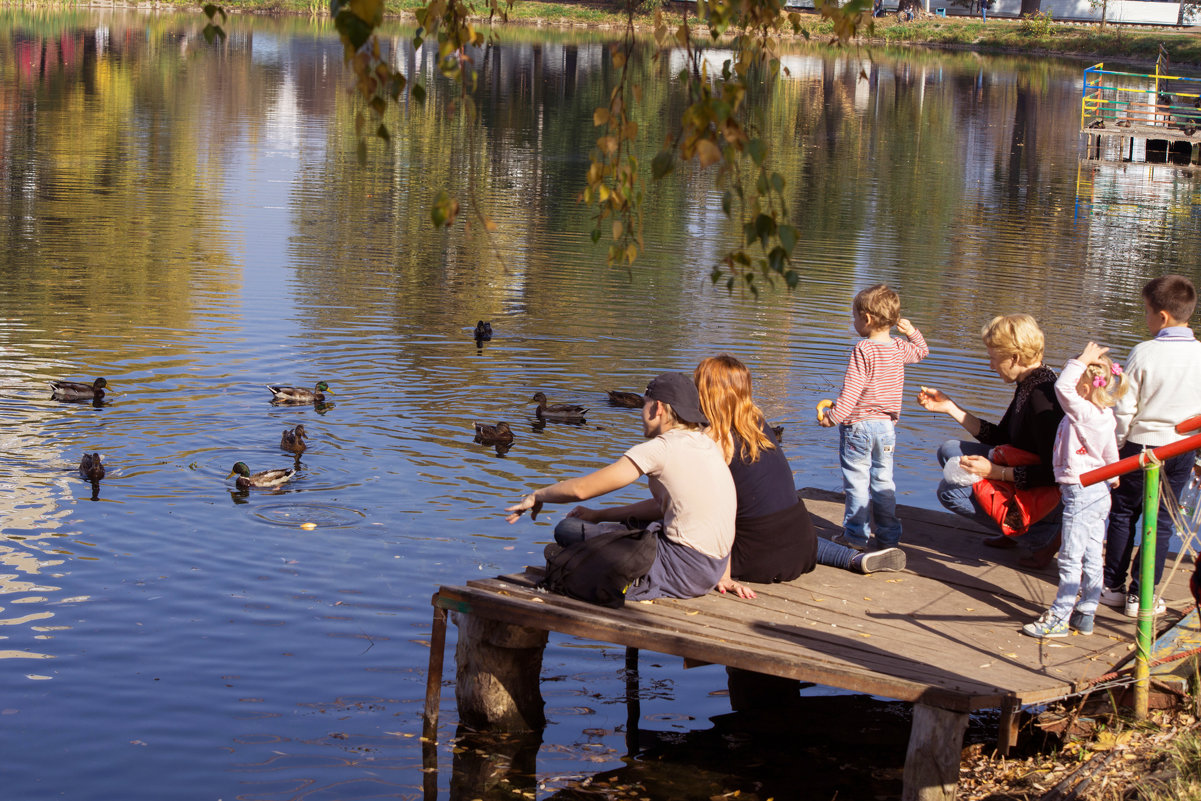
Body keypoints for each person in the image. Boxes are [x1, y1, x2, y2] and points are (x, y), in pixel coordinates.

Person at [505, 372, 736, 601]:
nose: (641, 414)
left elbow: (581, 490)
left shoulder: (661, 448)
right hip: (712, 569)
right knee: (604, 531)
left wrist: (537, 496)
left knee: (567, 530)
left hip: (680, 570)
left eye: (644, 406)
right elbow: (670, 508)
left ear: (657, 408)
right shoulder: (706, 444)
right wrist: (598, 515)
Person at [694, 355, 906, 600]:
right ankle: (853, 558)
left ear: (707, 393)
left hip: (758, 556)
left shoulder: (714, 441)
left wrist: (723, 574)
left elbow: (715, 514)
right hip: (799, 539)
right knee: (786, 531)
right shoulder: (757, 422)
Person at [917, 313, 1065, 567]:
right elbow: (1002, 437)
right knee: (949, 450)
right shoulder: (1029, 381)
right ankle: (1014, 528)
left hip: (1047, 494)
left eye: (993, 359)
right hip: (1021, 472)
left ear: (1014, 358)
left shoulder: (1043, 398)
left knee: (949, 493)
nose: (990, 366)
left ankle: (1041, 535)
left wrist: (996, 472)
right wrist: (951, 408)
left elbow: (1054, 473)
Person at [1101, 275, 1201, 618]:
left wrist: (1118, 443)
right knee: (1161, 521)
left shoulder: (1144, 352)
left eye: (1146, 311)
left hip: (1140, 446)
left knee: (1124, 513)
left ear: (1162, 317)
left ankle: (1111, 586)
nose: (1145, 318)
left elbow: (1125, 406)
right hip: (1181, 448)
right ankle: (1140, 595)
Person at [1022, 342, 1125, 639]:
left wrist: (1081, 359)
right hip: (1099, 491)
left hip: (1081, 492)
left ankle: (1060, 615)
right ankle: (1086, 611)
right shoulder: (1105, 415)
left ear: (1085, 385)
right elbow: (1109, 450)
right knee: (1092, 552)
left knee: (1069, 555)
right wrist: (1114, 472)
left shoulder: (1084, 412)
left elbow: (1062, 387)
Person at [819, 284, 929, 551]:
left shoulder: (863, 349)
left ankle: (855, 536)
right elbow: (923, 351)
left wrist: (832, 417)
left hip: (858, 426)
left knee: (857, 480)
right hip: (886, 428)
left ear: (866, 318)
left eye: (854, 317)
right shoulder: (899, 347)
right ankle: (889, 537)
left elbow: (852, 391)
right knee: (883, 481)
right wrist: (912, 331)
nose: (853, 322)